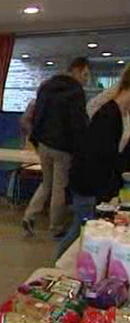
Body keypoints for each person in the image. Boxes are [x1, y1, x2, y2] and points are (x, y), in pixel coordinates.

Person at [56, 64, 130, 258]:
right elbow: (99, 158)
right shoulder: (108, 114)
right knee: (79, 234)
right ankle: (56, 269)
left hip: (93, 183)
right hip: (89, 185)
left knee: (80, 232)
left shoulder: (120, 113)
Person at [22, 57, 91, 239]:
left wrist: (36, 140)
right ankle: (56, 226)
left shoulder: (46, 87)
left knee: (46, 183)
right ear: (76, 70)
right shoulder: (76, 91)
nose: (86, 79)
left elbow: (38, 115)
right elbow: (78, 123)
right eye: (85, 74)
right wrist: (80, 148)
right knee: (59, 187)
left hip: (44, 143)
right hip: (63, 147)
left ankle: (29, 216)